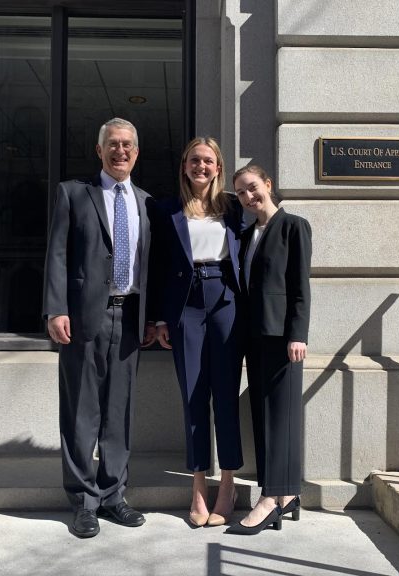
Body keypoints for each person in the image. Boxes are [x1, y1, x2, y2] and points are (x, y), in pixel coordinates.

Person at [43, 118, 156, 539]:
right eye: (113, 144)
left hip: (129, 318)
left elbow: (152, 266)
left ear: (136, 152)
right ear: (100, 150)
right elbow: (56, 253)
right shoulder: (74, 193)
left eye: (127, 144)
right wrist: (55, 308)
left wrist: (154, 318)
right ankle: (83, 501)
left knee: (119, 412)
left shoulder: (146, 202)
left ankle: (113, 496)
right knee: (80, 411)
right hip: (83, 317)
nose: (120, 151)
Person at [152, 137, 244, 527]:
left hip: (226, 300)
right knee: (193, 395)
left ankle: (228, 484)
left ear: (218, 167)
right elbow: (155, 265)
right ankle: (198, 487)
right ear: (184, 166)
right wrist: (158, 319)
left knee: (225, 395)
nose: (201, 167)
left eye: (208, 161)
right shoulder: (167, 209)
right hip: (185, 305)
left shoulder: (234, 208)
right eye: (194, 160)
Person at [226, 164, 312, 536]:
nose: (248, 197)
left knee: (281, 417)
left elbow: (300, 287)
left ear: (268, 185)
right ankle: (287, 493)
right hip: (255, 338)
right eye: (241, 193)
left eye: (252, 188)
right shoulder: (248, 234)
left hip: (283, 339)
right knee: (263, 416)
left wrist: (298, 334)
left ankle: (270, 499)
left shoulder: (294, 226)